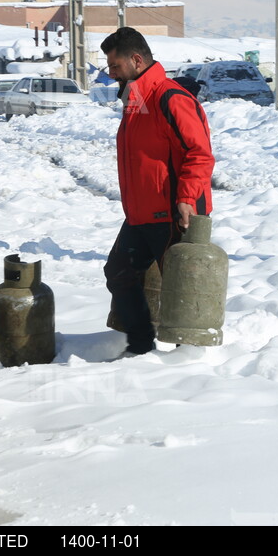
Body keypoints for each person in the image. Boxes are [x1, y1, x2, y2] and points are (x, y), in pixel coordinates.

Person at [101, 27, 215, 355]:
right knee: (118, 272)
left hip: (175, 212)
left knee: (181, 287)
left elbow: (200, 154)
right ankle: (140, 347)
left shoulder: (170, 97)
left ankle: (190, 356)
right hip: (141, 213)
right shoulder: (136, 101)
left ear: (137, 60)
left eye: (116, 67)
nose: (111, 75)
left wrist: (186, 199)